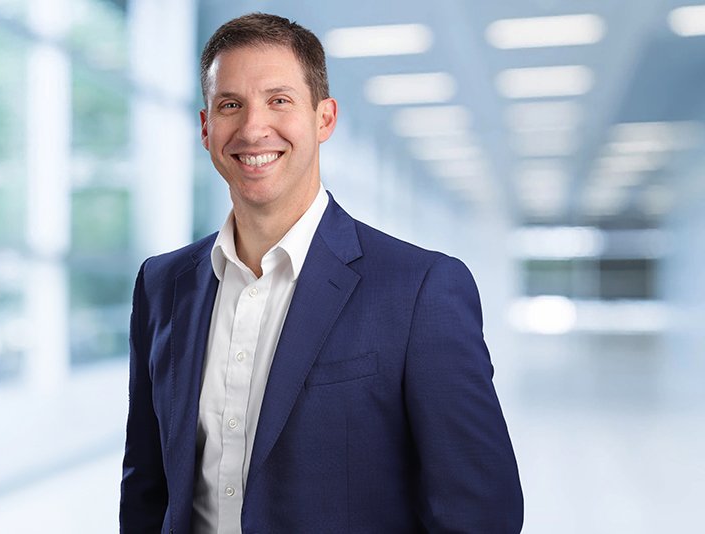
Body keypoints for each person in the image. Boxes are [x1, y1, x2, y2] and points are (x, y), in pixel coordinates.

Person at [120, 12, 523, 534]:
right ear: (205, 127)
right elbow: (146, 487)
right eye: (230, 105)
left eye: (279, 101)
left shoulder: (420, 290)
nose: (252, 128)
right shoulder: (162, 286)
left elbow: (481, 512)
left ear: (324, 119)